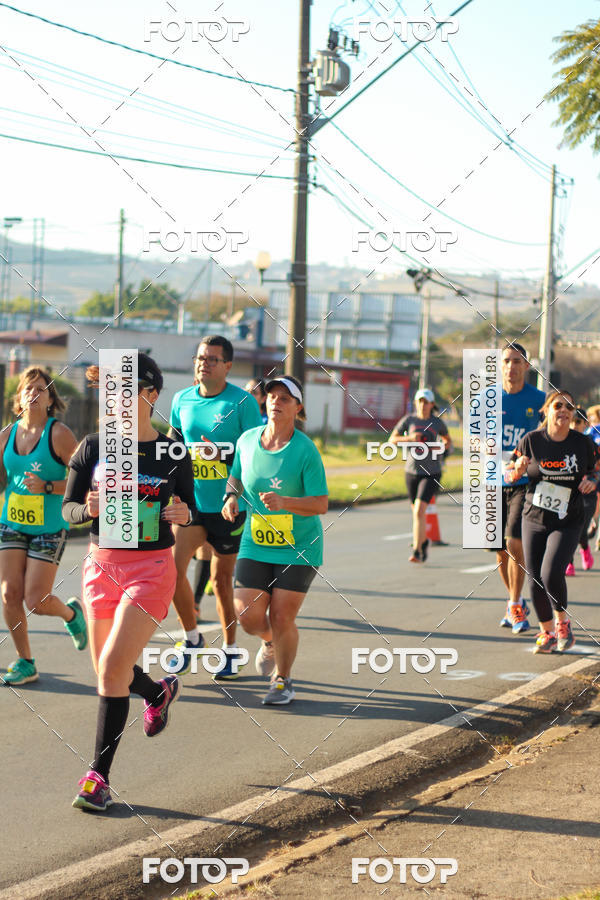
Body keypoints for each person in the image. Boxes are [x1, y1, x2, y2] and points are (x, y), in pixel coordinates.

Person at [63, 355, 195, 811]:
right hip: (101, 566)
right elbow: (69, 509)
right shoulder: (94, 446)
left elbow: (190, 508)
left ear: (151, 395)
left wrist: (183, 514)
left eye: (128, 389)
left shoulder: (173, 451)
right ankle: (157, 691)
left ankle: (97, 777)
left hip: (151, 569)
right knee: (108, 671)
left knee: (114, 666)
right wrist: (88, 510)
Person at [222, 376, 328, 705]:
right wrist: (230, 497)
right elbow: (236, 476)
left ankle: (283, 680)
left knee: (283, 616)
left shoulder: (305, 450)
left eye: (285, 398)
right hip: (256, 540)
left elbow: (321, 503)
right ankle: (271, 640)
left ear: (298, 408)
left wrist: (286, 503)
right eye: (271, 396)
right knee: (247, 615)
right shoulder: (247, 440)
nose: (276, 402)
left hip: (299, 546)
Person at [168, 336, 262, 679]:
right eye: (200, 357)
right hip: (192, 504)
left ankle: (230, 648)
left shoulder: (242, 403)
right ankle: (192, 638)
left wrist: (220, 454)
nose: (203, 363)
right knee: (172, 569)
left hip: (229, 506)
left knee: (223, 583)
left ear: (227, 366)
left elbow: (255, 454)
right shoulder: (182, 399)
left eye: (212, 359)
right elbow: (176, 446)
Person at [0, 366, 86, 686]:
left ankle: (71, 615)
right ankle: (26, 662)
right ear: (19, 398)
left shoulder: (59, 434)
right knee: (9, 594)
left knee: (36, 601)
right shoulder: (6, 435)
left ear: (51, 399)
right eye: (28, 389)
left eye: (41, 389)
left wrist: (49, 486)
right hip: (11, 523)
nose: (33, 393)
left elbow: (83, 479)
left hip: (49, 526)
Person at [506, 389, 599, 654]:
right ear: (546, 410)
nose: (565, 411)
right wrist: (517, 471)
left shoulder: (583, 444)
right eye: (559, 405)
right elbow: (510, 470)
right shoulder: (531, 440)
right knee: (534, 578)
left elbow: (596, 471)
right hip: (534, 517)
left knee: (551, 572)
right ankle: (546, 632)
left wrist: (592, 481)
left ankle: (562, 623)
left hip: (569, 519)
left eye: (570, 407)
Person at [495, 342, 546, 634]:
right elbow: (474, 437)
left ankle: (515, 604)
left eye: (517, 361)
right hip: (493, 482)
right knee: (500, 551)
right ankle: (514, 600)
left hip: (524, 482)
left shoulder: (539, 400)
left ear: (526, 366)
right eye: (506, 361)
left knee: (515, 542)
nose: (511, 366)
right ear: (500, 366)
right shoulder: (487, 400)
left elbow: (551, 437)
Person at [389, 388, 452, 563]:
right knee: (417, 513)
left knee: (419, 510)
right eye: (420, 401)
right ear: (416, 403)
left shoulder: (437, 423)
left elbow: (448, 441)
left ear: (432, 404)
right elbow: (392, 439)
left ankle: (417, 551)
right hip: (411, 472)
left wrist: (441, 447)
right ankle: (424, 542)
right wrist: (409, 438)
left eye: (426, 402)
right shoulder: (409, 420)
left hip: (431, 472)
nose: (423, 405)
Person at [565, 409, 598, 574]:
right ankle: (568, 562)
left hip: (587, 494)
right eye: (572, 421)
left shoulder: (591, 444)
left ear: (586, 424)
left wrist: (592, 480)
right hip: (566, 493)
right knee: (567, 525)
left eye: (578, 422)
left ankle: (584, 547)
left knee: (580, 525)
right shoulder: (560, 441)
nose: (574, 425)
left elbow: (597, 470)